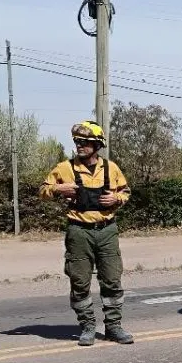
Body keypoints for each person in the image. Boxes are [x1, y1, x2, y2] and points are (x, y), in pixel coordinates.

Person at [39, 121, 134, 346]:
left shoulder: (111, 168)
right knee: (79, 281)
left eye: (85, 142)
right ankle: (88, 326)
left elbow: (126, 191)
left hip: (107, 231)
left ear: (97, 144)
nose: (79, 146)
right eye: (77, 142)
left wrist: (117, 199)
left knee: (112, 280)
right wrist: (56, 189)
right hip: (78, 232)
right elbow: (43, 191)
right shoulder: (64, 168)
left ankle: (113, 327)